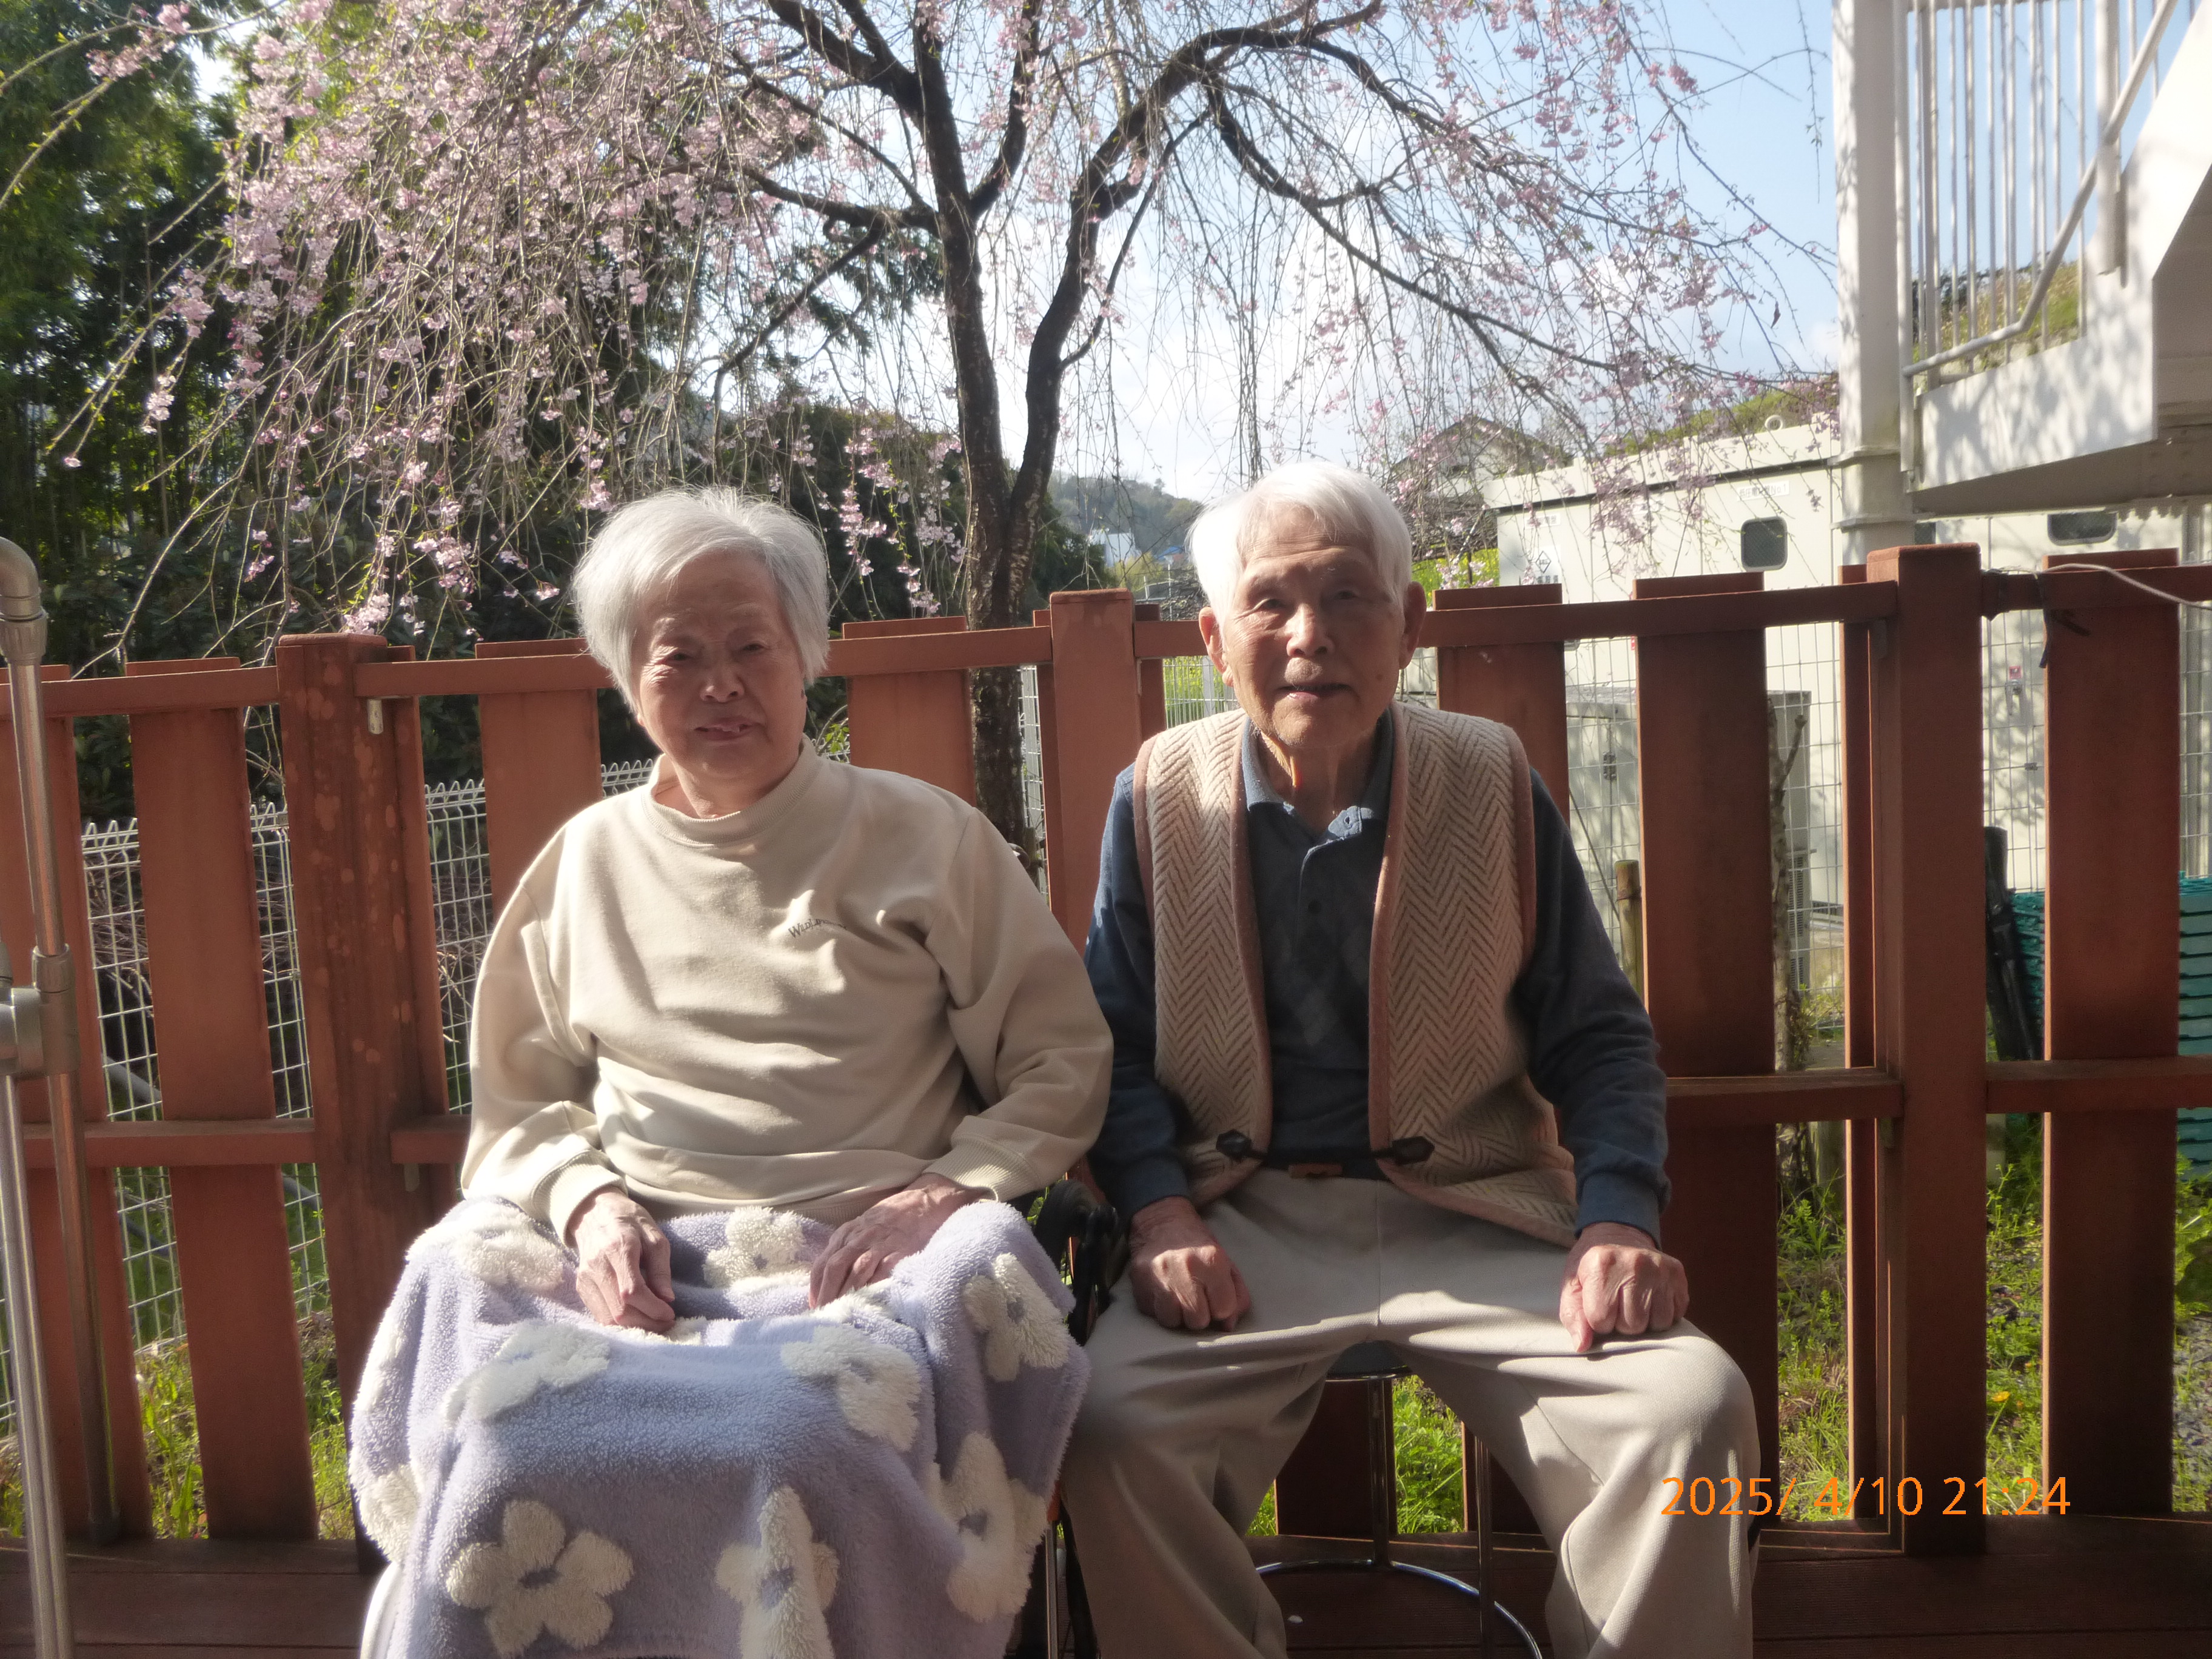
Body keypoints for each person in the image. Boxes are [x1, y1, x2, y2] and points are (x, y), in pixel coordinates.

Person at [1059, 460, 1757, 1659]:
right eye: (1270, 603)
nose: (1310, 636)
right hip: (1242, 1219)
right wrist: (1161, 1212)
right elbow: (1108, 1041)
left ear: (1410, 623)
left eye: (1349, 597)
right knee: (1112, 1423)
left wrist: (1618, 1219)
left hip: (1480, 1210)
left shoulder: (1490, 777)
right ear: (1215, 639)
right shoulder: (1159, 795)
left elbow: (1597, 1031)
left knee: (1690, 1408)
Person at [461, 486, 1110, 1321]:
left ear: (805, 654)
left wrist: (942, 1194)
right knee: (455, 1276)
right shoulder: (585, 860)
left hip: (872, 1254)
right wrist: (590, 1206)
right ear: (627, 679)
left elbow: (1061, 1060)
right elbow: (517, 1104)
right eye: (678, 657)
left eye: (751, 647)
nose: (720, 685)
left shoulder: (928, 836)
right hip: (649, 1257)